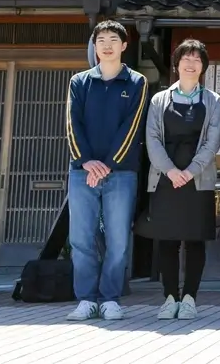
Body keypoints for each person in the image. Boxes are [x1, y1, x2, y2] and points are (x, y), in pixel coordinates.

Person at [65, 20, 148, 321]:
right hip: (82, 171)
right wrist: (86, 161)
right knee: (81, 238)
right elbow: (73, 124)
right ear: (94, 45)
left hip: (121, 172)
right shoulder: (79, 81)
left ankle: (111, 297)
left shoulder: (137, 82)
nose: (107, 44)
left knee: (117, 239)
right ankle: (86, 299)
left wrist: (108, 164)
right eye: (101, 39)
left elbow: (132, 127)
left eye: (114, 39)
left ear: (124, 46)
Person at [137, 39, 220, 320]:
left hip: (198, 180)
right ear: (176, 64)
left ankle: (189, 298)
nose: (190, 63)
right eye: (185, 58)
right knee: (168, 240)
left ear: (203, 66)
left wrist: (190, 171)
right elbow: (151, 138)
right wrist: (171, 171)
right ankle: (170, 297)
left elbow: (212, 143)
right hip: (165, 178)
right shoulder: (159, 99)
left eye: (197, 59)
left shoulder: (213, 100)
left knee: (195, 240)